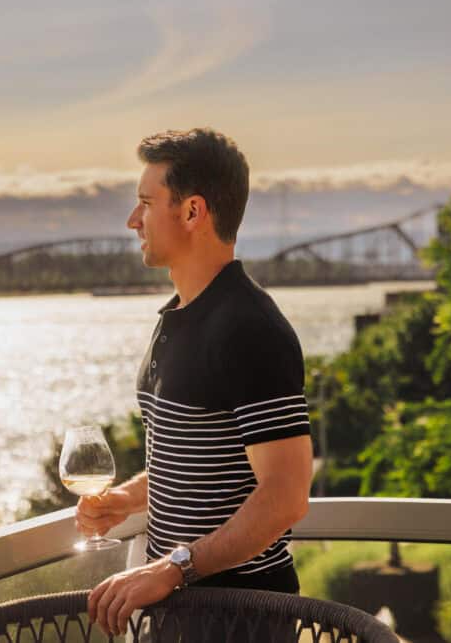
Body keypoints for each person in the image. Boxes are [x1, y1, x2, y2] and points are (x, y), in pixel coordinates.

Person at [79, 128, 314, 638]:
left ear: (192, 212)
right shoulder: (177, 318)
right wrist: (127, 498)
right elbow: (197, 457)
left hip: (240, 617)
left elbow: (286, 495)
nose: (132, 220)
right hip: (181, 610)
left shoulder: (251, 328)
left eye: (146, 203)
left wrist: (172, 568)